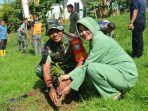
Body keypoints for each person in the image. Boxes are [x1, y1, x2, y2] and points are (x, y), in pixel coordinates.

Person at [58, 17, 138, 101]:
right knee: (89, 73)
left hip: (126, 76)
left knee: (91, 68)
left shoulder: (100, 40)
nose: (83, 33)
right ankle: (98, 91)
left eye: (85, 28)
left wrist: (70, 84)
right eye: (80, 31)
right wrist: (70, 76)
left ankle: (114, 95)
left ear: (91, 26)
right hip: (119, 72)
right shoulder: (94, 38)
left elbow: (87, 65)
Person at [35, 21, 87, 106]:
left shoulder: (74, 39)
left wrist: (71, 78)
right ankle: (56, 86)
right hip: (63, 68)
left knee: (75, 80)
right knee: (39, 70)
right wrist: (50, 87)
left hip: (77, 67)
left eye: (56, 30)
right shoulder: (47, 46)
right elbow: (45, 68)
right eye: (51, 32)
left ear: (61, 29)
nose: (54, 34)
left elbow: (81, 61)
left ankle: (77, 87)